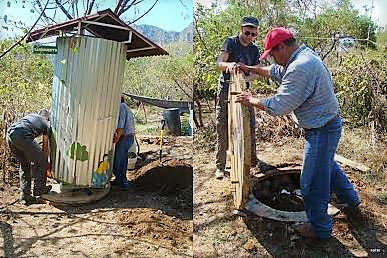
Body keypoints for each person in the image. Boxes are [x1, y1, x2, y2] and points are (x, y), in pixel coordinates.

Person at [235, 27, 360, 239]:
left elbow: (279, 105)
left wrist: (251, 100)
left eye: (272, 53)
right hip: (326, 126)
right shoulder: (302, 55)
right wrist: (250, 68)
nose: (272, 59)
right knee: (327, 164)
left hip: (321, 130)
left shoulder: (300, 67)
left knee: (310, 183)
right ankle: (350, 198)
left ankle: (320, 229)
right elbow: (274, 71)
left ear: (282, 46)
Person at [214, 16, 260, 179]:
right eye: (247, 32)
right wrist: (229, 65)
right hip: (226, 89)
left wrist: (246, 78)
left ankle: (252, 160)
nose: (249, 37)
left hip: (244, 90)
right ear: (241, 29)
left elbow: (256, 72)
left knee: (250, 125)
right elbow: (218, 63)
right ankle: (220, 166)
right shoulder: (230, 42)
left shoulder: (254, 50)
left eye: (253, 34)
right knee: (223, 126)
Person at [6, 110, 53, 205]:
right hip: (21, 135)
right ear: (47, 118)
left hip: (10, 135)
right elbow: (45, 146)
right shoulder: (45, 124)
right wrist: (46, 163)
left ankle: (25, 197)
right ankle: (40, 189)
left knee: (25, 165)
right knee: (42, 161)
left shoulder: (31, 117)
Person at [112, 96, 136, 190]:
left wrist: (116, 139)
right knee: (123, 160)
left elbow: (120, 126)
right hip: (129, 137)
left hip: (125, 137)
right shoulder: (126, 107)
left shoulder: (121, 107)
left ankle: (122, 183)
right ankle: (120, 180)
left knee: (119, 161)